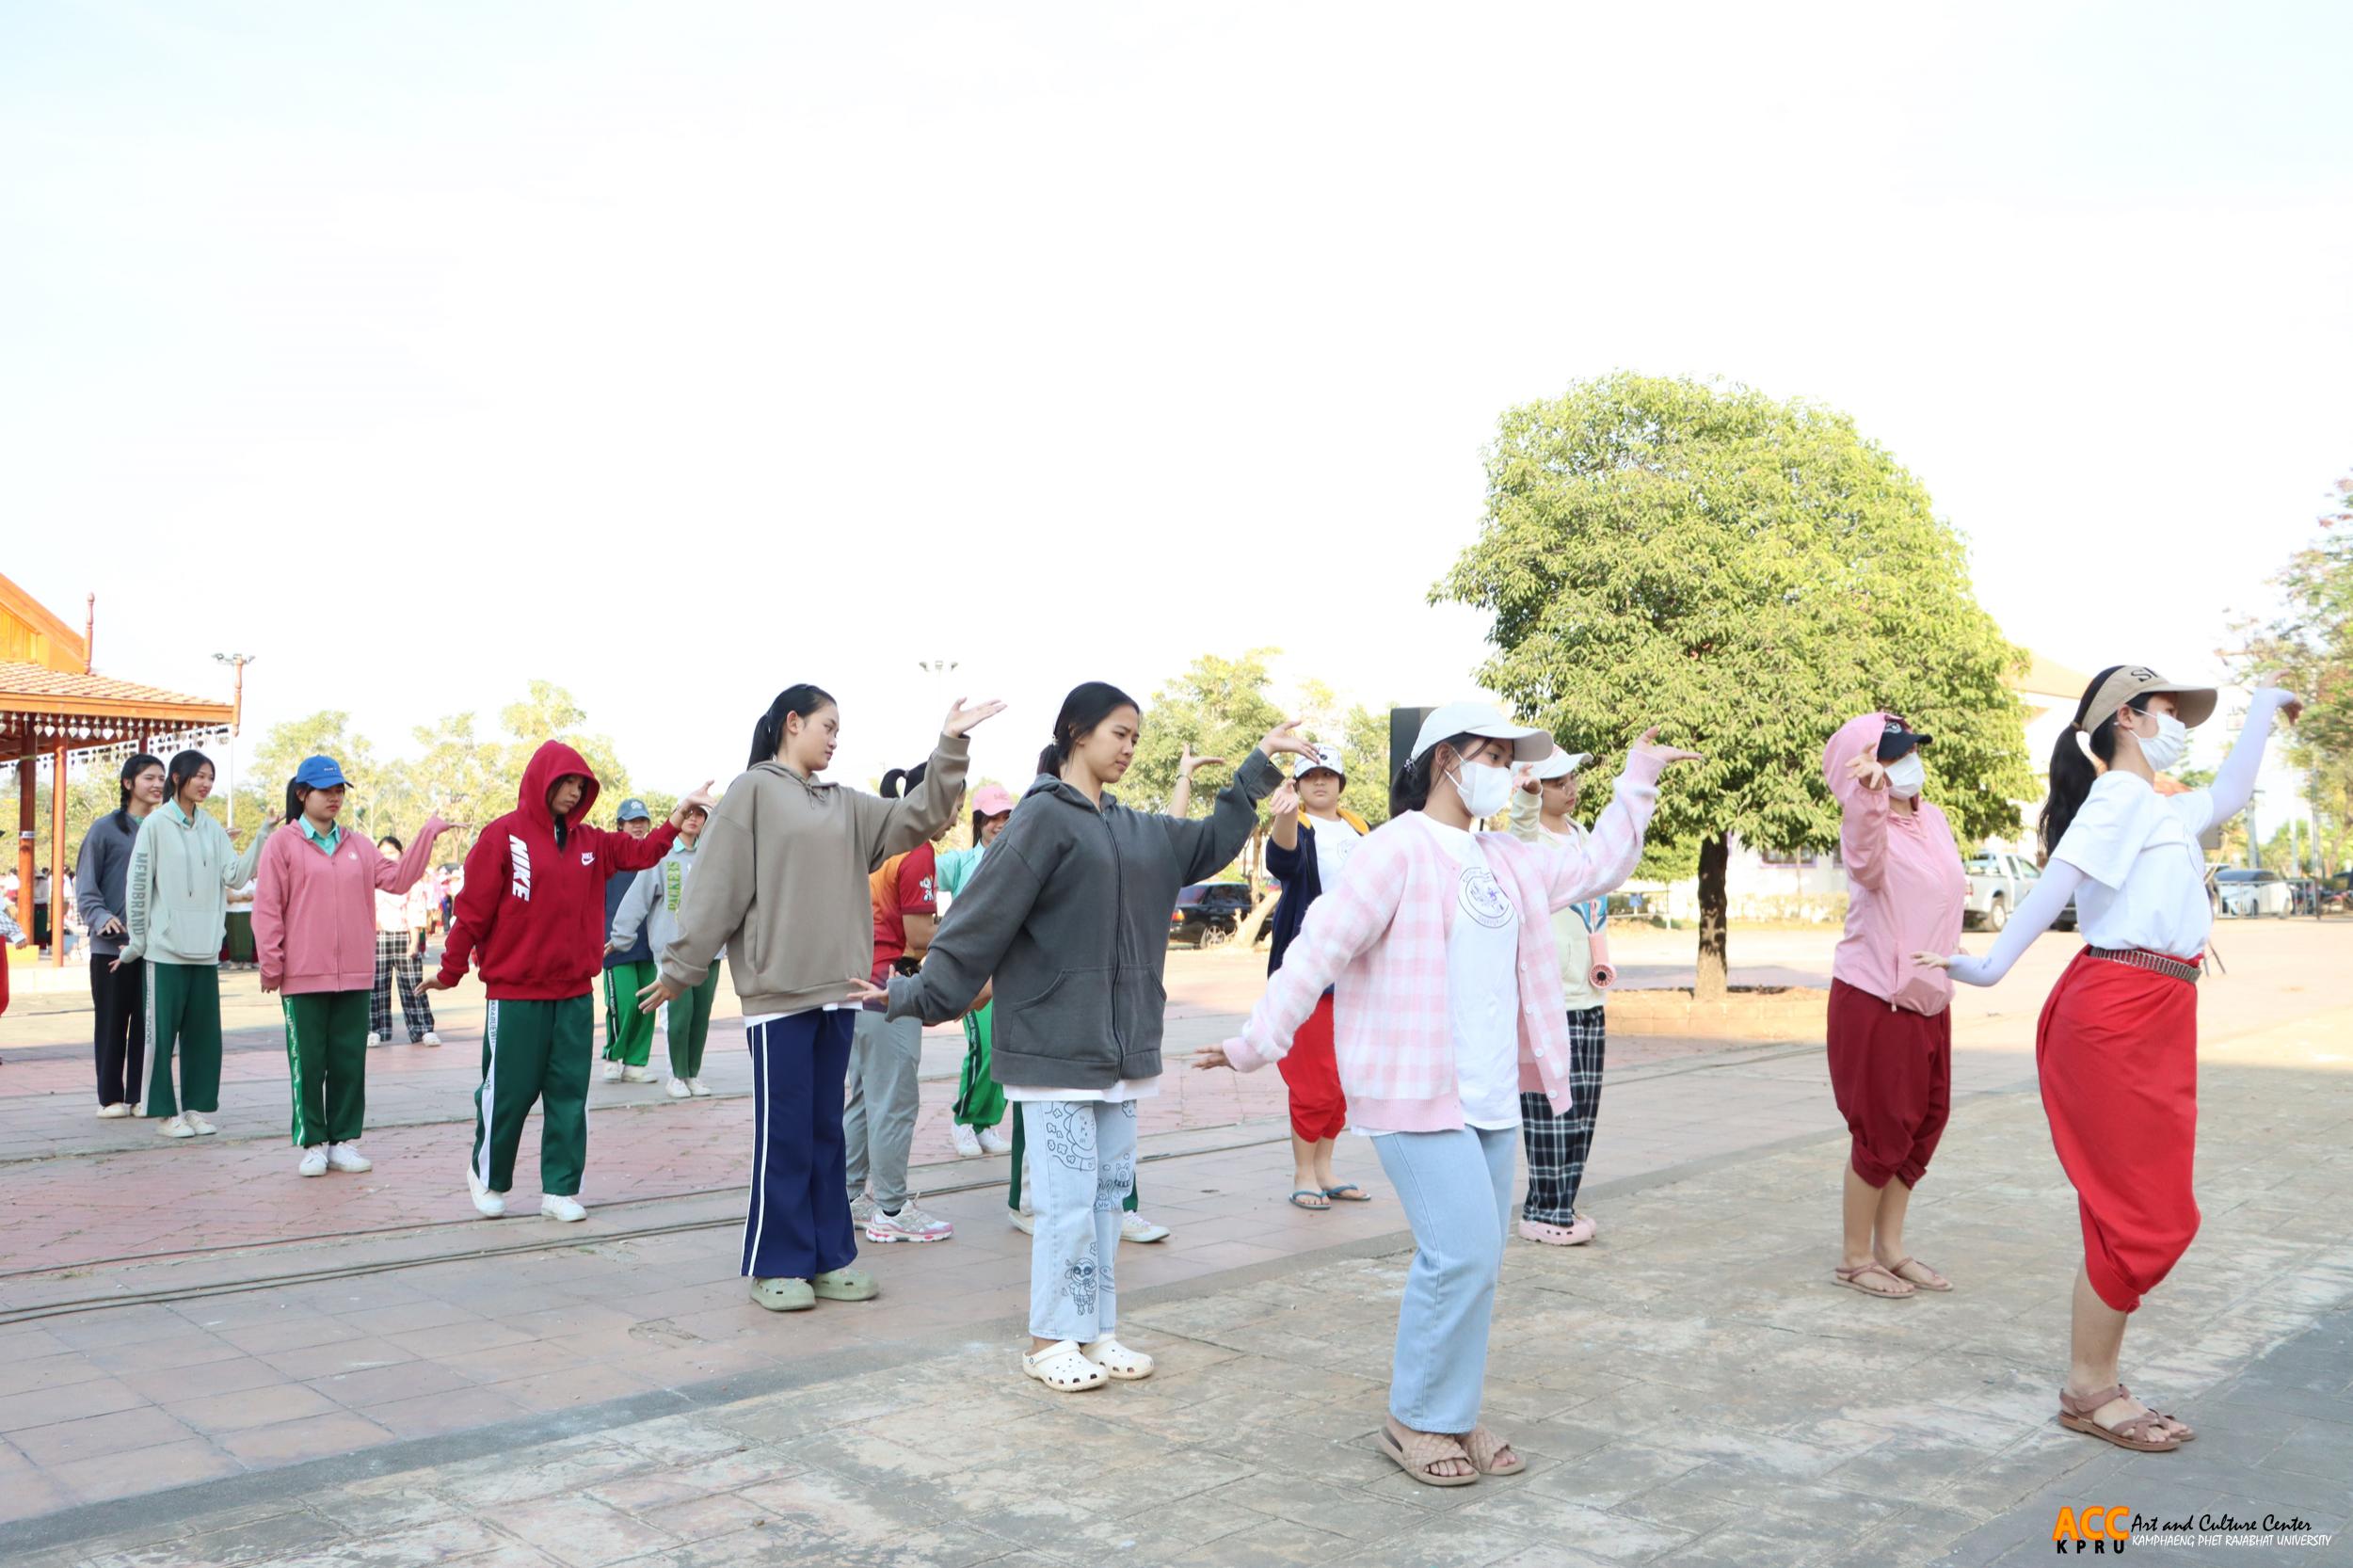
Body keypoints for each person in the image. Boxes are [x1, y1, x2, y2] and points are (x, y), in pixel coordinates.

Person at [1197, 703, 1700, 1481]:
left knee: (1479, 1261)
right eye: (1492, 755)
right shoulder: (1394, 851)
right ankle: (1416, 1419)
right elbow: (1318, 945)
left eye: (1509, 758)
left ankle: (1453, 1412)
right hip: (1414, 1089)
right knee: (1458, 1252)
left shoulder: (1505, 857)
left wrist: (1638, 781)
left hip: (1491, 1097)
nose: (1506, 772)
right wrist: (1255, 1043)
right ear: (1445, 762)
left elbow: (1600, 865)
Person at [870, 681, 1309, 1393]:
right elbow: (979, 919)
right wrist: (914, 993)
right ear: (1076, 733)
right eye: (1119, 734)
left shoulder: (1135, 829)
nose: (1130, 748)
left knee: (1108, 1202)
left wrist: (1257, 763)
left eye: (1136, 737)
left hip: (1122, 1050)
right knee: (1066, 1204)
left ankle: (1096, 1331)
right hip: (1053, 1049)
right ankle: (1049, 1340)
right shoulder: (1040, 820)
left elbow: (1209, 841)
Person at [1919, 669, 2300, 1453]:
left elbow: (2227, 792)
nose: (2178, 722)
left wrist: (2263, 708)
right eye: (2167, 709)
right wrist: (1987, 969)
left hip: (2158, 1011)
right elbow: (2058, 882)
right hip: (2116, 1013)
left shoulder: (2157, 805)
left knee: (2134, 1210)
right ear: (2127, 718)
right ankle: (2090, 1390)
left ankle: (2093, 1383)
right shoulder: (2120, 799)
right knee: (2145, 1216)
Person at [644, 684, 990, 1312]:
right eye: (827, 725)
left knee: (827, 1135)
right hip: (777, 999)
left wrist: (951, 744)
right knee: (787, 1137)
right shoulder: (752, 793)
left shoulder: (847, 805)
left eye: (840, 728)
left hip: (839, 996)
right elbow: (716, 889)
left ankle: (831, 1257)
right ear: (792, 722)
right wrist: (681, 968)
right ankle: (776, 1262)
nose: (835, 738)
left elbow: (921, 815)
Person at [419, 744, 712, 1223]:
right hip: (516, 995)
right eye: (568, 783)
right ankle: (488, 1177)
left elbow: (643, 852)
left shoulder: (593, 843)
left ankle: (560, 1188)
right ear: (543, 781)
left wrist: (680, 811)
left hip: (574, 992)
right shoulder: (502, 837)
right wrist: (450, 972)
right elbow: (471, 915)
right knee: (508, 1090)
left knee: (569, 1093)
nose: (576, 792)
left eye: (582, 786)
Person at [1819, 712, 1966, 1297]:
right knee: (1882, 1130)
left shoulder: (1934, 820)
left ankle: (1892, 1247)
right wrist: (1866, 795)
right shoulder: (1866, 826)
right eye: (1891, 755)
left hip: (1931, 995)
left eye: (1910, 751)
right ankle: (1857, 1257)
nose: (1906, 763)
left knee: (1926, 1123)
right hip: (1876, 995)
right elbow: (1864, 861)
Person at [252, 758, 456, 1177]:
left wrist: (428, 833)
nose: (334, 797)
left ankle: (343, 1141)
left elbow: (399, 880)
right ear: (302, 794)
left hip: (357, 972)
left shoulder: (359, 845)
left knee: (348, 1060)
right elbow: (268, 907)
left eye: (340, 790)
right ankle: (312, 1142)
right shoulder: (283, 844)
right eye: (325, 790)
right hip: (302, 975)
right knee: (308, 1061)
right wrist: (272, 962)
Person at [119, 751, 277, 1138]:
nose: (205, 784)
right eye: (198, 776)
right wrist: (137, 941)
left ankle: (194, 1109)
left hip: (205, 951)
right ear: (178, 778)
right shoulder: (155, 824)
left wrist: (261, 835)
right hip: (165, 950)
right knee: (160, 1037)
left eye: (210, 777)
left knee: (204, 1037)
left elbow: (236, 876)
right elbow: (138, 886)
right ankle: (162, 1113)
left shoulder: (211, 827)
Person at [1506, 744, 1626, 1247]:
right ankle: (1544, 1210)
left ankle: (1562, 1205)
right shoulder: (1528, 840)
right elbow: (1518, 838)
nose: (1570, 788)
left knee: (1583, 1111)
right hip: (1546, 998)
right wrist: (1527, 800)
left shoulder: (1582, 837)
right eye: (1558, 782)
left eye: (1571, 779)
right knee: (1550, 1112)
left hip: (1588, 995)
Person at [845, 763, 956, 1243]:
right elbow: (918, 936)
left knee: (862, 1098)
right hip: (893, 990)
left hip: (855, 989)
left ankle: (848, 1196)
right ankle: (890, 1208)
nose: (955, 815)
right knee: (894, 1101)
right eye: (952, 801)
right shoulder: (918, 851)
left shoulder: (878, 843)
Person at [1261, 744, 1374, 1211]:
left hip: (1359, 971)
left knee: (1344, 1080)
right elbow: (1283, 863)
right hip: (1312, 972)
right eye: (1310, 776)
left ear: (1341, 782)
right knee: (1314, 1080)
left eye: (1328, 774)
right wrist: (1285, 817)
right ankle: (1302, 1173)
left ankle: (1325, 1169)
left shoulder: (1360, 828)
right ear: (1299, 785)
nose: (1320, 782)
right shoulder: (1299, 825)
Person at [608, 798, 721, 1098]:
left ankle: (692, 1074)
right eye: (689, 813)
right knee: (678, 1014)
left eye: (700, 815)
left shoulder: (713, 856)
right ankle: (676, 1076)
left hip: (709, 951)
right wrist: (620, 935)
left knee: (700, 1016)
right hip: (673, 951)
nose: (694, 819)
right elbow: (638, 898)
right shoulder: (662, 856)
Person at [76, 754, 166, 1117]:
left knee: (149, 1025)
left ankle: (140, 1095)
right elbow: (86, 886)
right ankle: (110, 1098)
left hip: (155, 946)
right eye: (149, 778)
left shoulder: (165, 828)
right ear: (128, 783)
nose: (158, 784)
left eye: (162, 778)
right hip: (110, 946)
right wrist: (101, 917)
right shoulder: (104, 830)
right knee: (112, 1022)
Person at [936, 784, 1016, 1159]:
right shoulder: (959, 864)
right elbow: (919, 870)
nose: (999, 825)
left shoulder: (1020, 861)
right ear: (979, 822)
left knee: (1004, 1049)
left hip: (1011, 972)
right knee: (982, 1047)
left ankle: (986, 1123)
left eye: (1006, 817)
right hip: (971, 974)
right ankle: (963, 1120)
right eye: (993, 818)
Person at [600, 798, 664, 1083]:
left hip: (648, 944)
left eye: (642, 821)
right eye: (632, 821)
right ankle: (613, 1056)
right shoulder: (608, 857)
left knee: (647, 1005)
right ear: (620, 825)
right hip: (614, 944)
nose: (638, 826)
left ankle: (636, 1062)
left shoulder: (654, 857)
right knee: (623, 1003)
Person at [370, 835, 442, 1047]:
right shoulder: (372, 879)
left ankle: (423, 1029)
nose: (388, 857)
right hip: (377, 937)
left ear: (401, 853)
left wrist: (414, 941)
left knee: (413, 984)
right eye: (382, 853)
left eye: (392, 852)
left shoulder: (412, 880)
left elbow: (416, 912)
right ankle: (374, 1029)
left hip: (404, 936)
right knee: (376, 986)